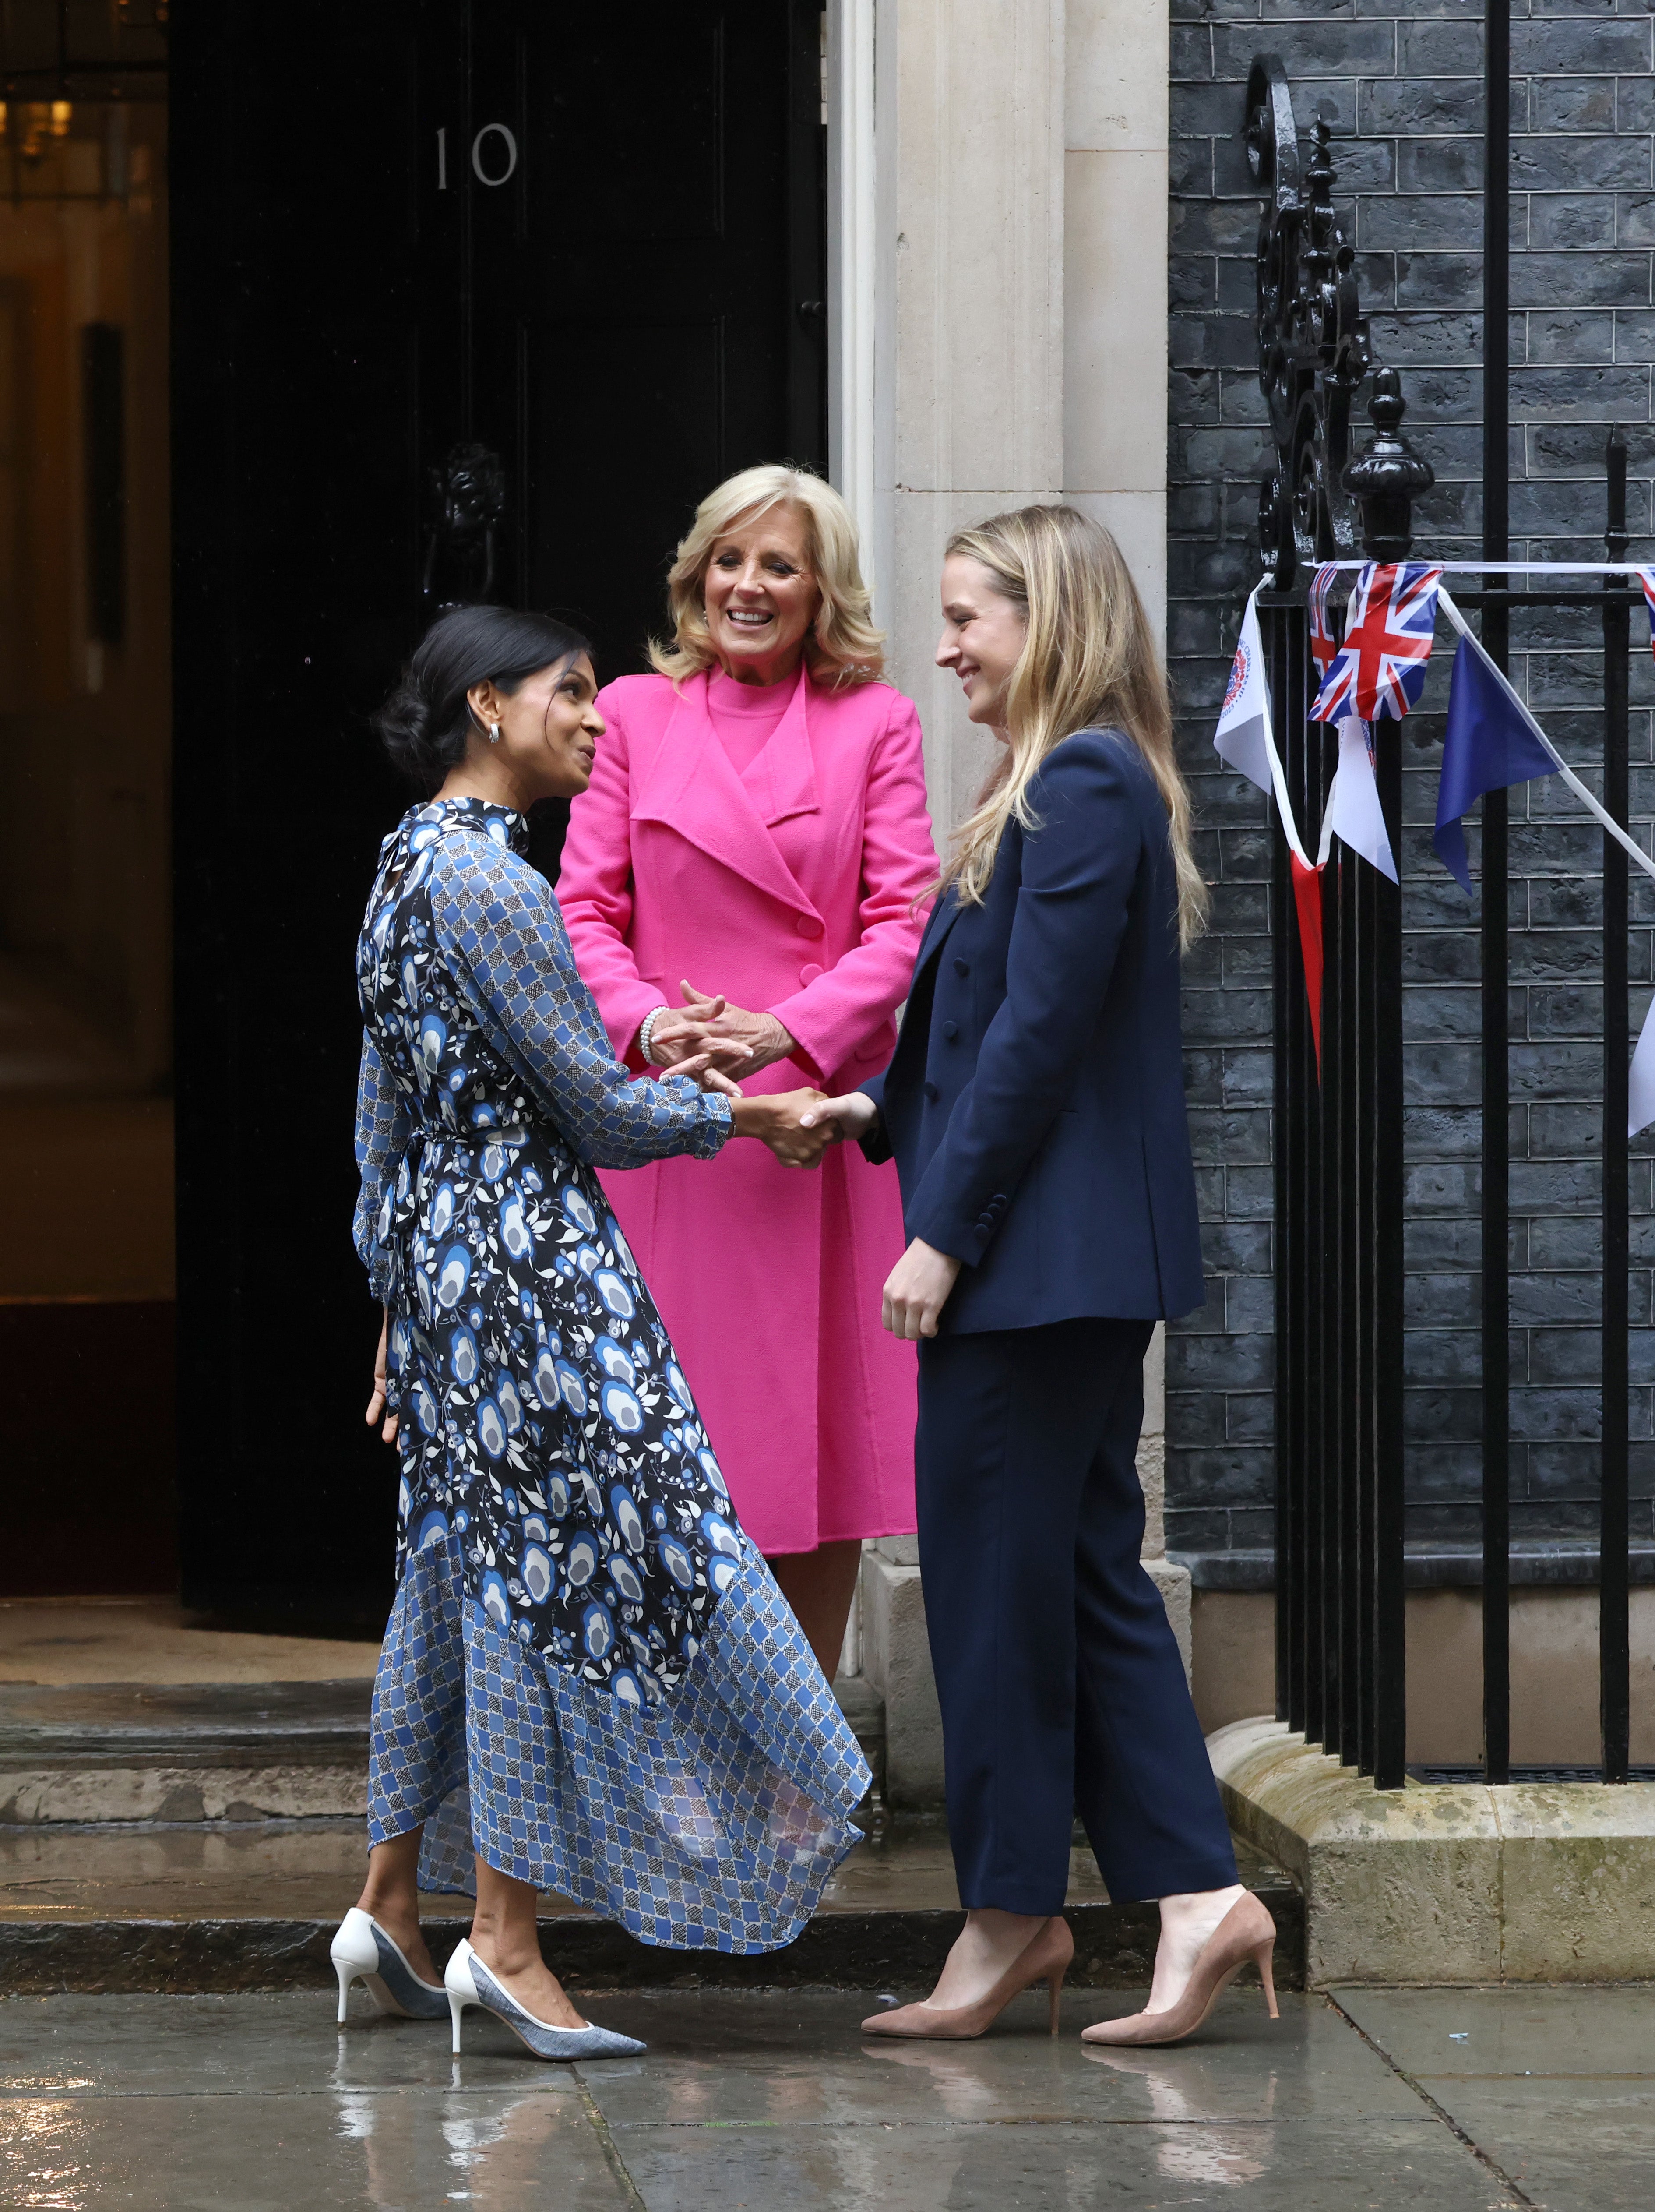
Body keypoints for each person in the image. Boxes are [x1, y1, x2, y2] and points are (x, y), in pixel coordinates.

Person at [332, 603, 873, 2062]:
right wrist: (755, 1109)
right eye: (568, 693)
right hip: (533, 1270)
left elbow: (393, 1119)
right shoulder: (491, 881)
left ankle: (388, 1904)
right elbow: (591, 1110)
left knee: (457, 1559)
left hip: (455, 1270)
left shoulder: (402, 867)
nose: (593, 714)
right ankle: (502, 1943)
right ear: (486, 709)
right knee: (560, 1573)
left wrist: (398, 1300)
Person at [807, 506, 1272, 2048]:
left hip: (1033, 1263)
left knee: (996, 1597)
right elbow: (970, 1031)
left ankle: (1011, 1915)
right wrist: (856, 1108)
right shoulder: (1058, 782)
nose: (942, 647)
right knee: (1076, 1577)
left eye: (967, 618)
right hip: (1058, 1257)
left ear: (1049, 617)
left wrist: (938, 1232)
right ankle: (1194, 1900)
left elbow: (1039, 1038)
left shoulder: (1077, 782)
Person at [556, 465, 935, 1668]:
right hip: (671, 1135)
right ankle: (668, 1768)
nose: (748, 585)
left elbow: (902, 922)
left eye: (778, 564)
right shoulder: (629, 712)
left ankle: (795, 1766)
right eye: (729, 559)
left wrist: (788, 1031)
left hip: (808, 1136)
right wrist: (653, 1031)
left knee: (810, 1459)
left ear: (821, 589)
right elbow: (580, 912)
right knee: (659, 1456)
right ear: (694, 574)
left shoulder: (874, 722)